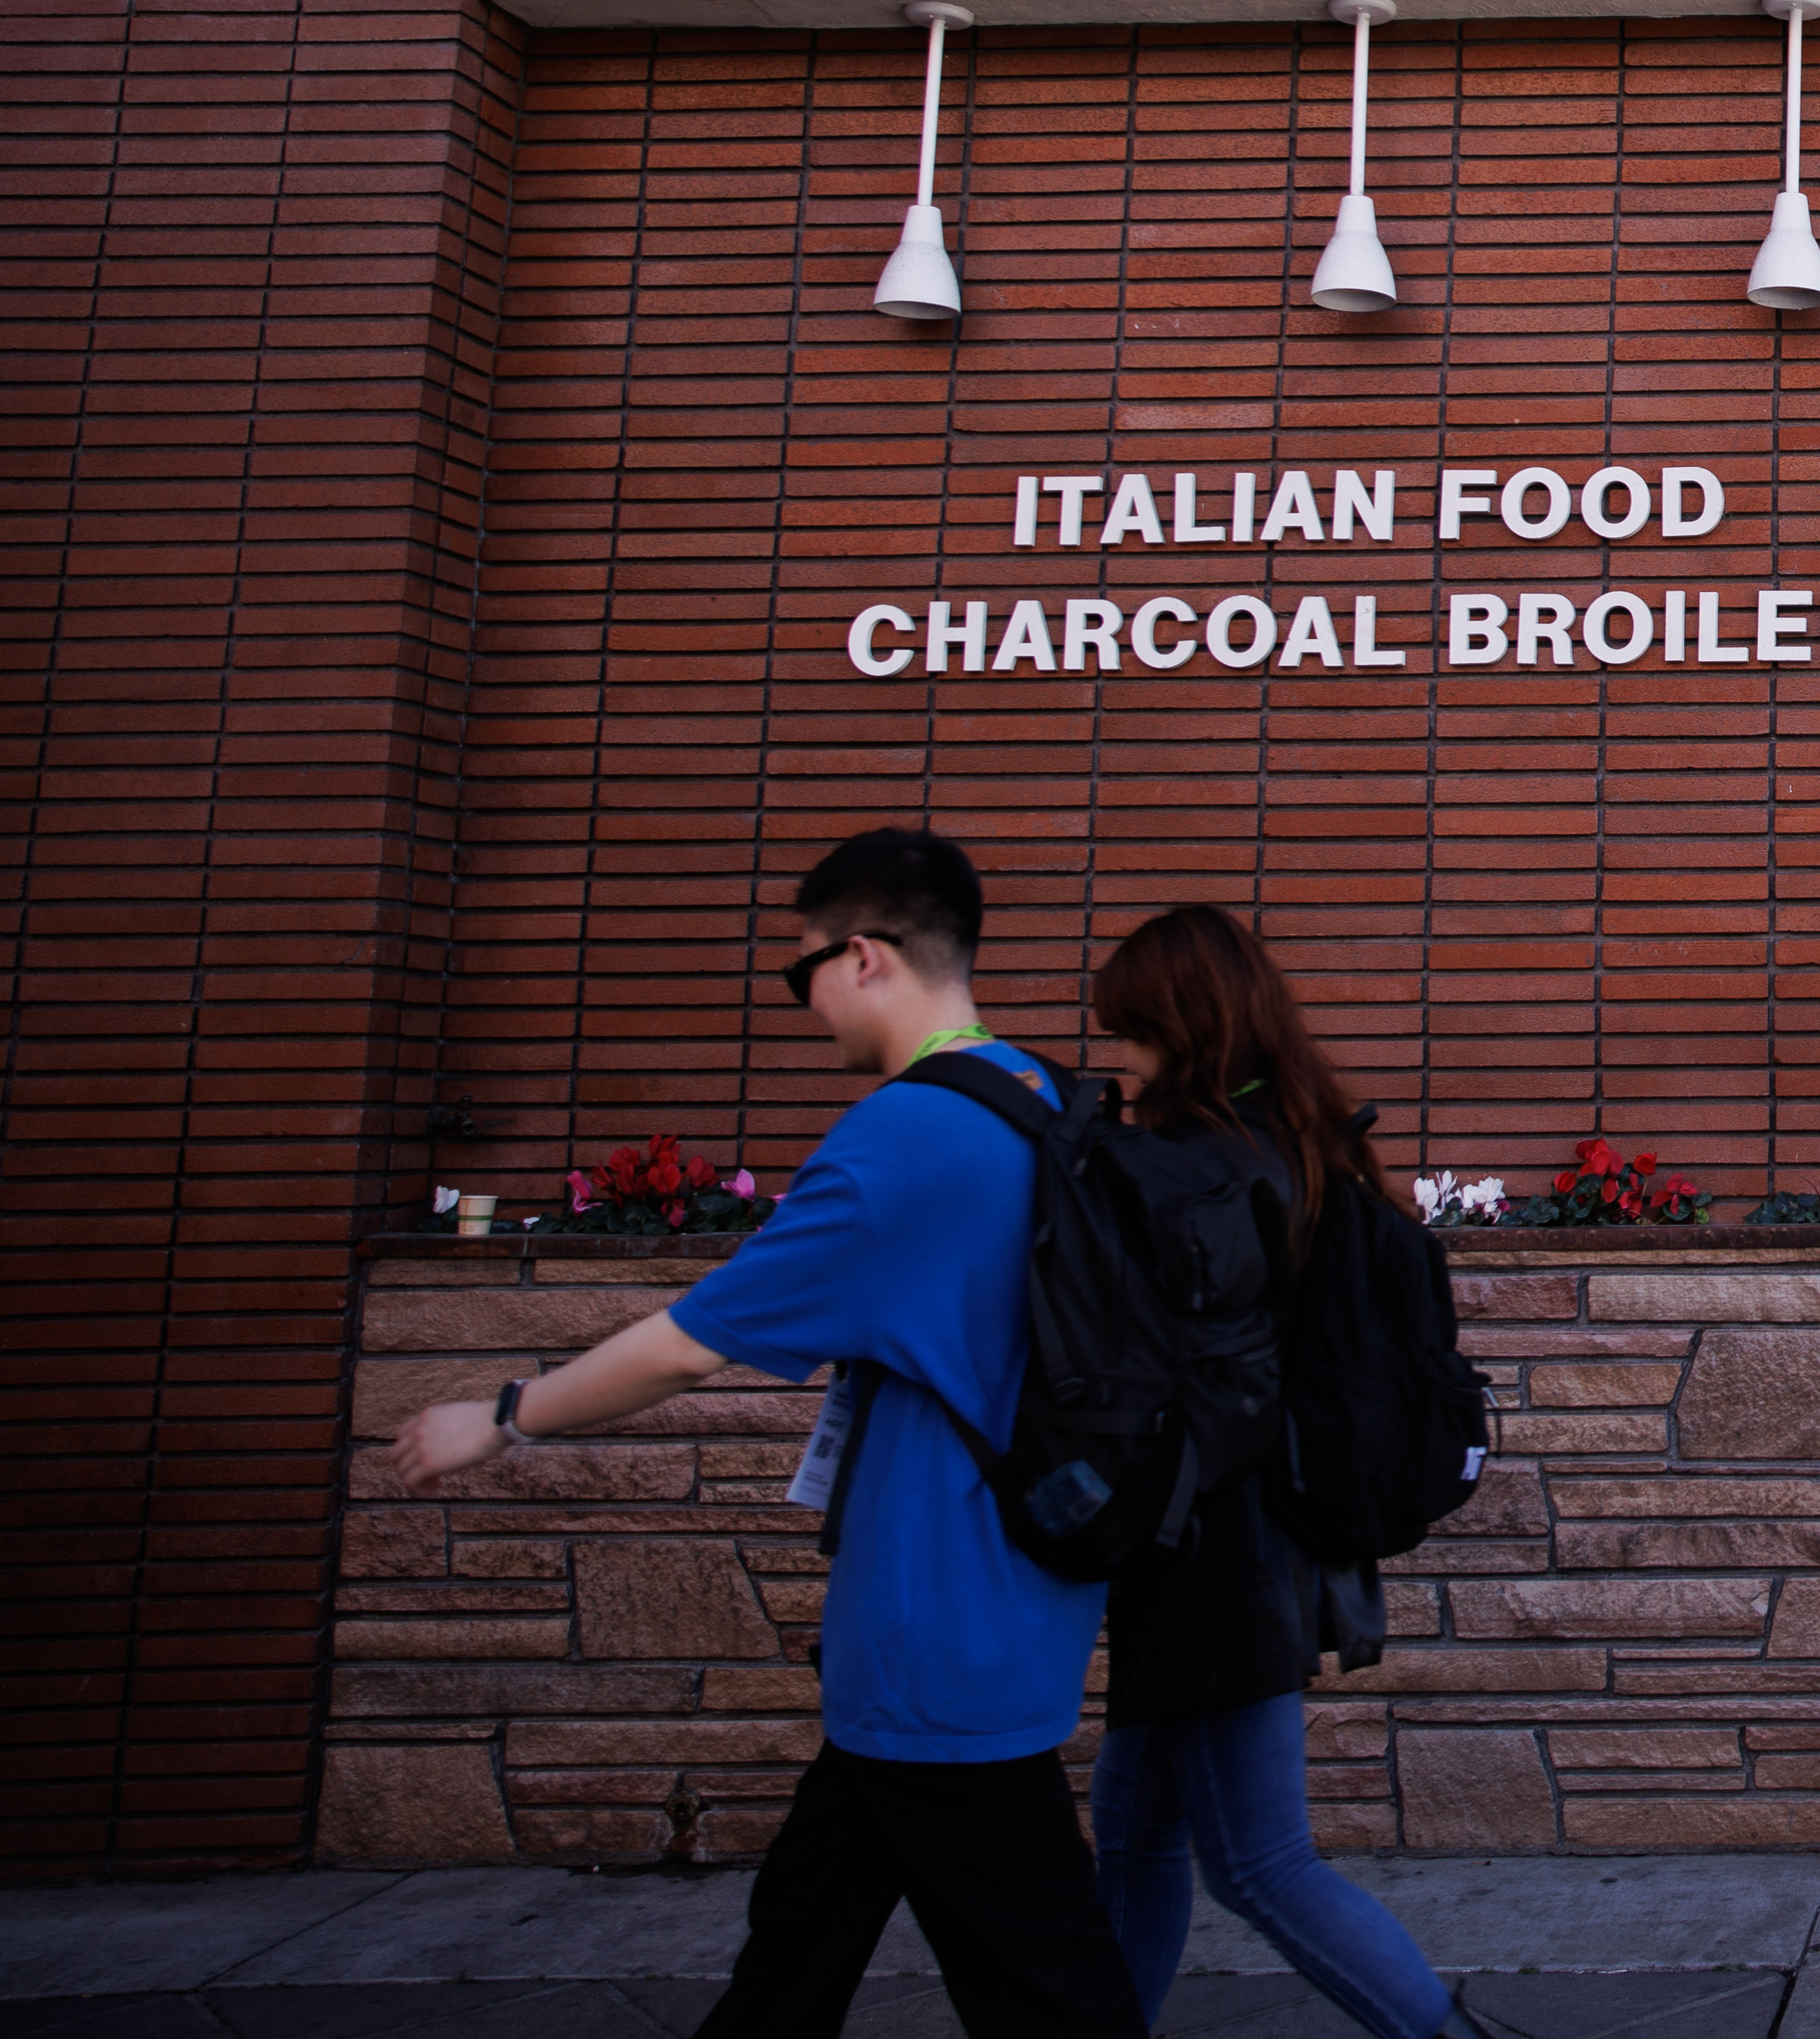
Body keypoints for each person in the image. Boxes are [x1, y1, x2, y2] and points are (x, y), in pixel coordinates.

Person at [389, 829, 1142, 2039]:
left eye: (798, 974)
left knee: (1045, 1981)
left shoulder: (902, 1139)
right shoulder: (1044, 1096)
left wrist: (503, 1414)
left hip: (929, 1619)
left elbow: (690, 1341)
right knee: (805, 1931)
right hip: (1010, 1588)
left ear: (862, 957)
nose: (803, 1005)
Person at [1085, 906, 1483, 2039]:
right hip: (1257, 1543)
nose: (1117, 1055)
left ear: (1179, 1025)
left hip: (1217, 1557)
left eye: (1129, 1031)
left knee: (1259, 1865)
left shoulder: (1193, 1171)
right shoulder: (1299, 1144)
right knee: (1137, 1832)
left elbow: (1199, 1382)